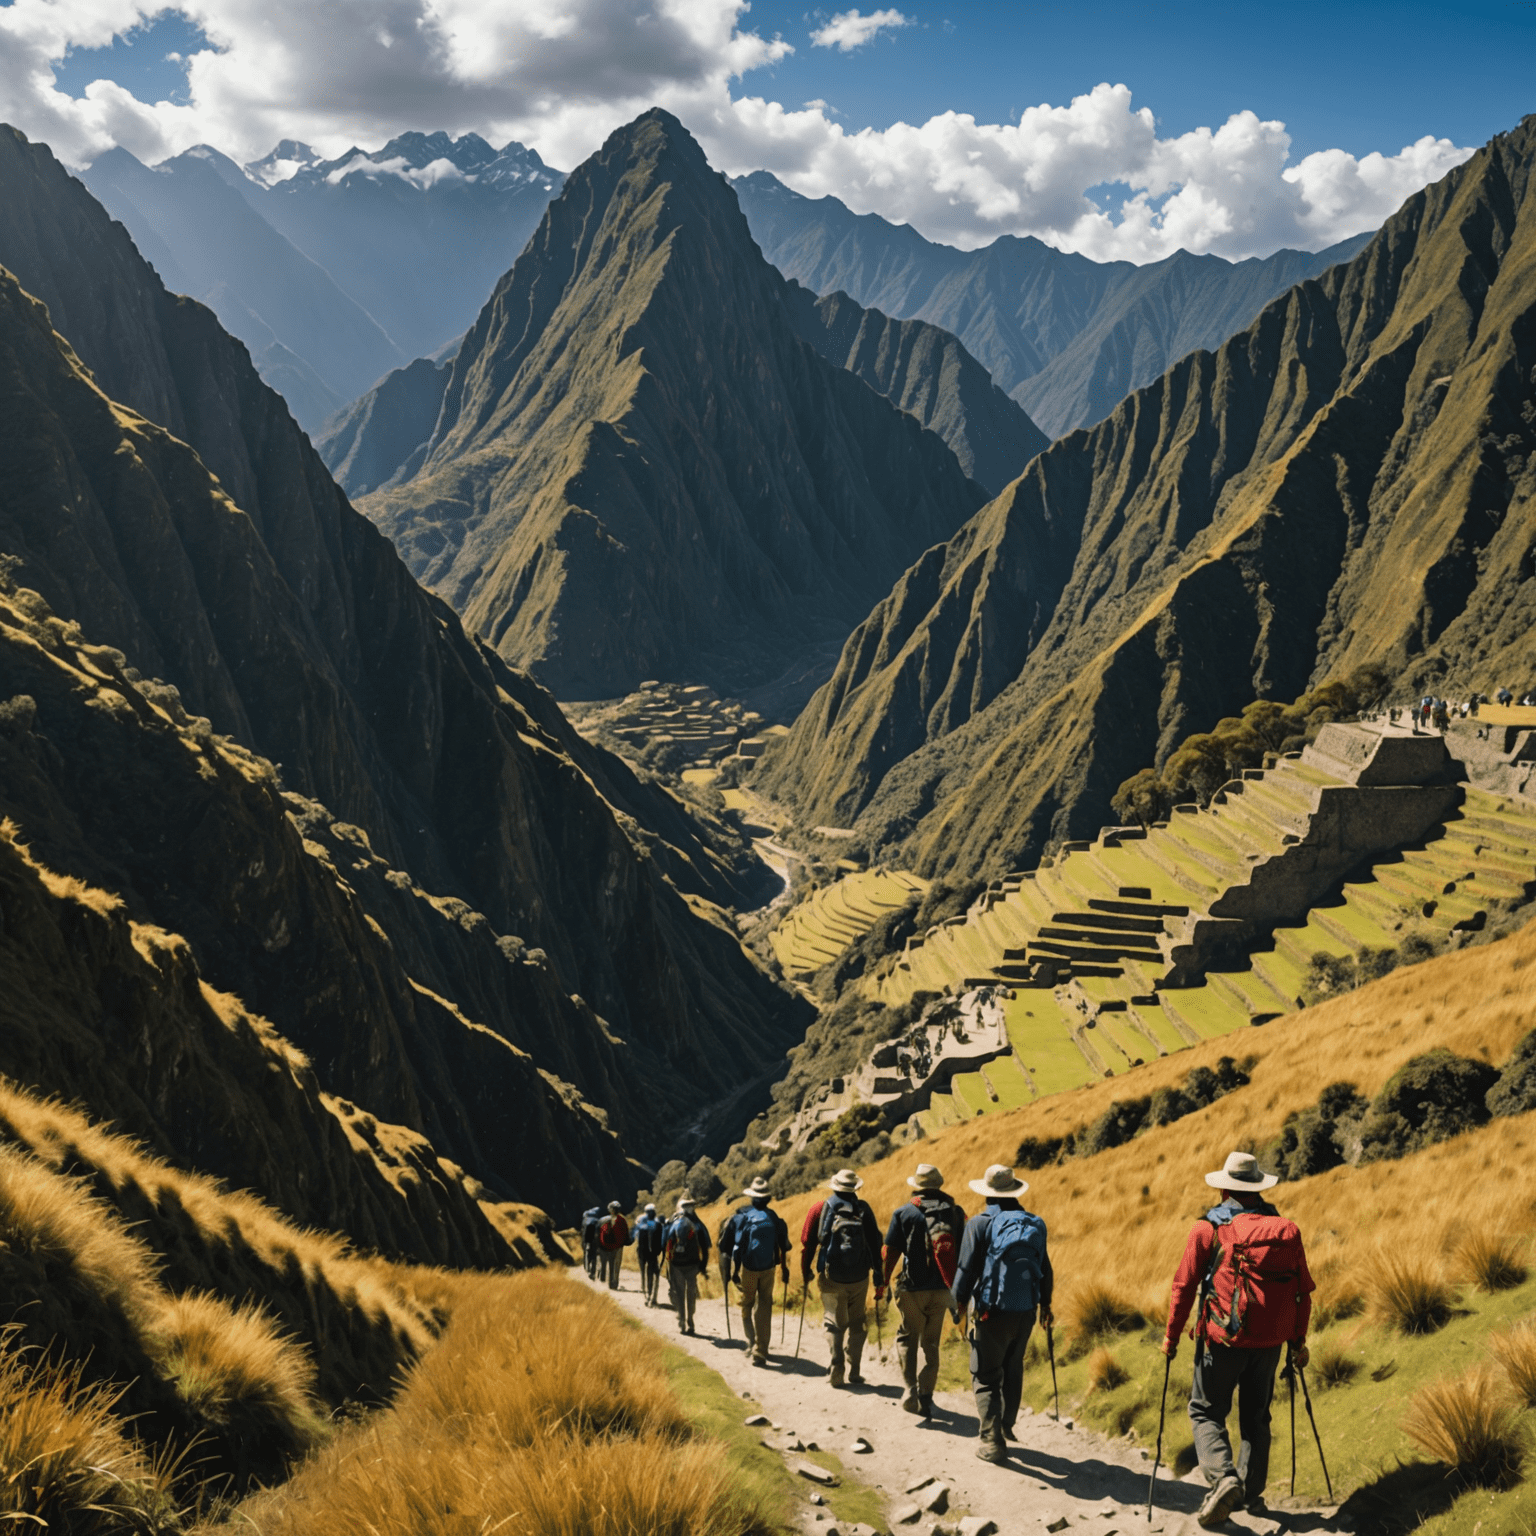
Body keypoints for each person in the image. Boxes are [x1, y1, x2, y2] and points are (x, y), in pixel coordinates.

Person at [1161, 1150, 1316, 1529]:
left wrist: (1171, 1337)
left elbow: (1183, 1286)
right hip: (1270, 1344)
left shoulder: (1208, 1229)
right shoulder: (1284, 1230)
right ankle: (1251, 1494)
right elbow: (1302, 1292)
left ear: (1225, 1190)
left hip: (1222, 1340)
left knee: (1205, 1411)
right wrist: (1298, 1342)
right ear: (1258, 1189)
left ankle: (1223, 1479)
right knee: (1256, 1417)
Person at [951, 1164, 1052, 1463]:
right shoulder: (1035, 1223)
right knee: (1013, 1364)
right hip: (1026, 1310)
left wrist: (957, 1304)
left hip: (990, 1312)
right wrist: (1046, 1304)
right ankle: (1006, 1422)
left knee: (985, 1374)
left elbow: (965, 1270)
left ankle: (992, 1441)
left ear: (987, 1194)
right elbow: (1045, 1269)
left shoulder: (979, 1224)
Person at [883, 1162, 966, 1417]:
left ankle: (910, 1389)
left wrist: (883, 1283)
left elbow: (890, 1253)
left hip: (911, 1289)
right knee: (931, 1343)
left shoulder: (904, 1212)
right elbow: (964, 1253)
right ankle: (926, 1396)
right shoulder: (956, 1212)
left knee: (908, 1337)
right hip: (942, 1289)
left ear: (917, 1187)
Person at [801, 1168, 883, 1389]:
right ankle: (854, 1371)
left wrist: (805, 1270)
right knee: (857, 1321)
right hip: (859, 1276)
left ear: (834, 1186)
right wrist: (879, 1274)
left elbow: (808, 1242)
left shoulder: (822, 1208)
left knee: (833, 1322)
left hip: (831, 1276)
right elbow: (876, 1243)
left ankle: (836, 1367)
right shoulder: (864, 1209)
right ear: (855, 1187)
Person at [729, 1176, 791, 1367]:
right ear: (767, 1198)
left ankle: (751, 1340)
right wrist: (785, 1269)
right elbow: (783, 1246)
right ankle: (761, 1349)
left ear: (752, 1198)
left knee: (747, 1303)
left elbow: (737, 1248)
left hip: (749, 1268)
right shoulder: (774, 1217)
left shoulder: (746, 1218)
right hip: (769, 1268)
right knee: (765, 1305)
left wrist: (735, 1270)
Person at [665, 1193, 711, 1335]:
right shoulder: (698, 1225)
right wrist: (703, 1266)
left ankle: (682, 1321)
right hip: (693, 1265)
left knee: (680, 1292)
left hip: (677, 1264)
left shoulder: (673, 1223)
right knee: (691, 1293)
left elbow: (666, 1243)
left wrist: (668, 1260)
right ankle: (690, 1319)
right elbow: (705, 1247)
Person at [634, 1202, 665, 1306]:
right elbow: (661, 1239)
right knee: (653, 1274)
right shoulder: (657, 1224)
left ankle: (646, 1295)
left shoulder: (641, 1224)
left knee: (644, 1274)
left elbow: (637, 1237)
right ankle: (652, 1297)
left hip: (642, 1252)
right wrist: (660, 1251)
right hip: (652, 1254)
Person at [596, 1201, 630, 1289]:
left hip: (606, 1246)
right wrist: (627, 1241)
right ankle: (614, 1283)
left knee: (607, 1263)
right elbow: (626, 1234)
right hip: (618, 1246)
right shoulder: (622, 1220)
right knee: (616, 1265)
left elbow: (597, 1233)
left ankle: (605, 1277)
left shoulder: (603, 1219)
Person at [579, 1206, 603, 1279]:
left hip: (587, 1240)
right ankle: (592, 1272)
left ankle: (587, 1269)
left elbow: (582, 1232)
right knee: (594, 1256)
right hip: (595, 1240)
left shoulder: (585, 1220)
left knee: (587, 1254)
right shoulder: (598, 1220)